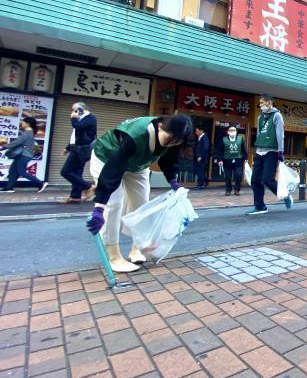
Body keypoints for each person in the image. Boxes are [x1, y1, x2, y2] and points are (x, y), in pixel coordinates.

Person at [85, 114, 193, 272]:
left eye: (176, 142)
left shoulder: (174, 139)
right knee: (114, 203)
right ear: (160, 127)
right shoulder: (136, 135)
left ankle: (137, 249)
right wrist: (99, 207)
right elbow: (113, 170)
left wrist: (173, 182)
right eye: (169, 139)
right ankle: (113, 256)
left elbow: (168, 160)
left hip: (138, 166)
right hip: (107, 158)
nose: (171, 144)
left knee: (142, 204)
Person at [247, 95, 292, 215]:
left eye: (263, 103)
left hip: (271, 152)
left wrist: (280, 151)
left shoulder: (277, 116)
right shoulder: (260, 117)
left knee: (267, 179)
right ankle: (260, 206)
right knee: (255, 180)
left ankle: (285, 195)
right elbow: (259, 133)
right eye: (260, 103)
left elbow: (280, 134)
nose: (261, 105)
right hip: (259, 151)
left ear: (270, 102)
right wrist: (257, 149)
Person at [60, 101, 97, 203]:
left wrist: (73, 117)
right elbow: (76, 136)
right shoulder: (81, 118)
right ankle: (75, 197)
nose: (73, 112)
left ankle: (89, 186)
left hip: (81, 150)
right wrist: (67, 148)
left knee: (65, 171)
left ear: (82, 109)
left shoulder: (90, 118)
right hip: (75, 148)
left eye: (74, 110)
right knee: (77, 173)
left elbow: (78, 127)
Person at [0, 117, 48, 193]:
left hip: (24, 155)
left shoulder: (27, 133)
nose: (21, 123)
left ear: (27, 123)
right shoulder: (28, 132)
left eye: (23, 122)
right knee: (13, 171)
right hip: (22, 155)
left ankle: (41, 183)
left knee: (22, 172)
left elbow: (17, 142)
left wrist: (4, 147)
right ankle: (9, 187)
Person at [215, 126, 246, 196]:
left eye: (234, 130)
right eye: (231, 130)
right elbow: (220, 151)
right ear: (228, 132)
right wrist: (219, 159)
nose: (232, 132)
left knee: (238, 175)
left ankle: (237, 190)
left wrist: (245, 158)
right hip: (227, 161)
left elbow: (243, 149)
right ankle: (228, 190)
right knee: (228, 176)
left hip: (238, 161)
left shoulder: (241, 139)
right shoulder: (223, 140)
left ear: (236, 132)